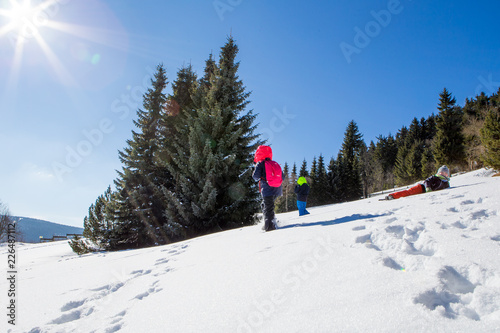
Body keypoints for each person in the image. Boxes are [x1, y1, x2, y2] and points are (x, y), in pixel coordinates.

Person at [252, 145, 283, 231]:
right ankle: (270, 222)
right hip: (277, 189)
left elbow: (255, 176)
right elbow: (282, 177)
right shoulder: (274, 163)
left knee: (268, 207)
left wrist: (256, 168)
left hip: (267, 190)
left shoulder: (260, 163)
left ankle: (269, 226)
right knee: (266, 205)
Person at [384, 165, 451, 200]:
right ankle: (392, 196)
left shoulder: (445, 182)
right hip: (421, 188)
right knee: (408, 192)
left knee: (409, 193)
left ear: (447, 174)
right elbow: (427, 181)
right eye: (441, 172)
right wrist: (427, 187)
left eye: (444, 173)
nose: (442, 173)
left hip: (425, 192)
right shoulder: (435, 177)